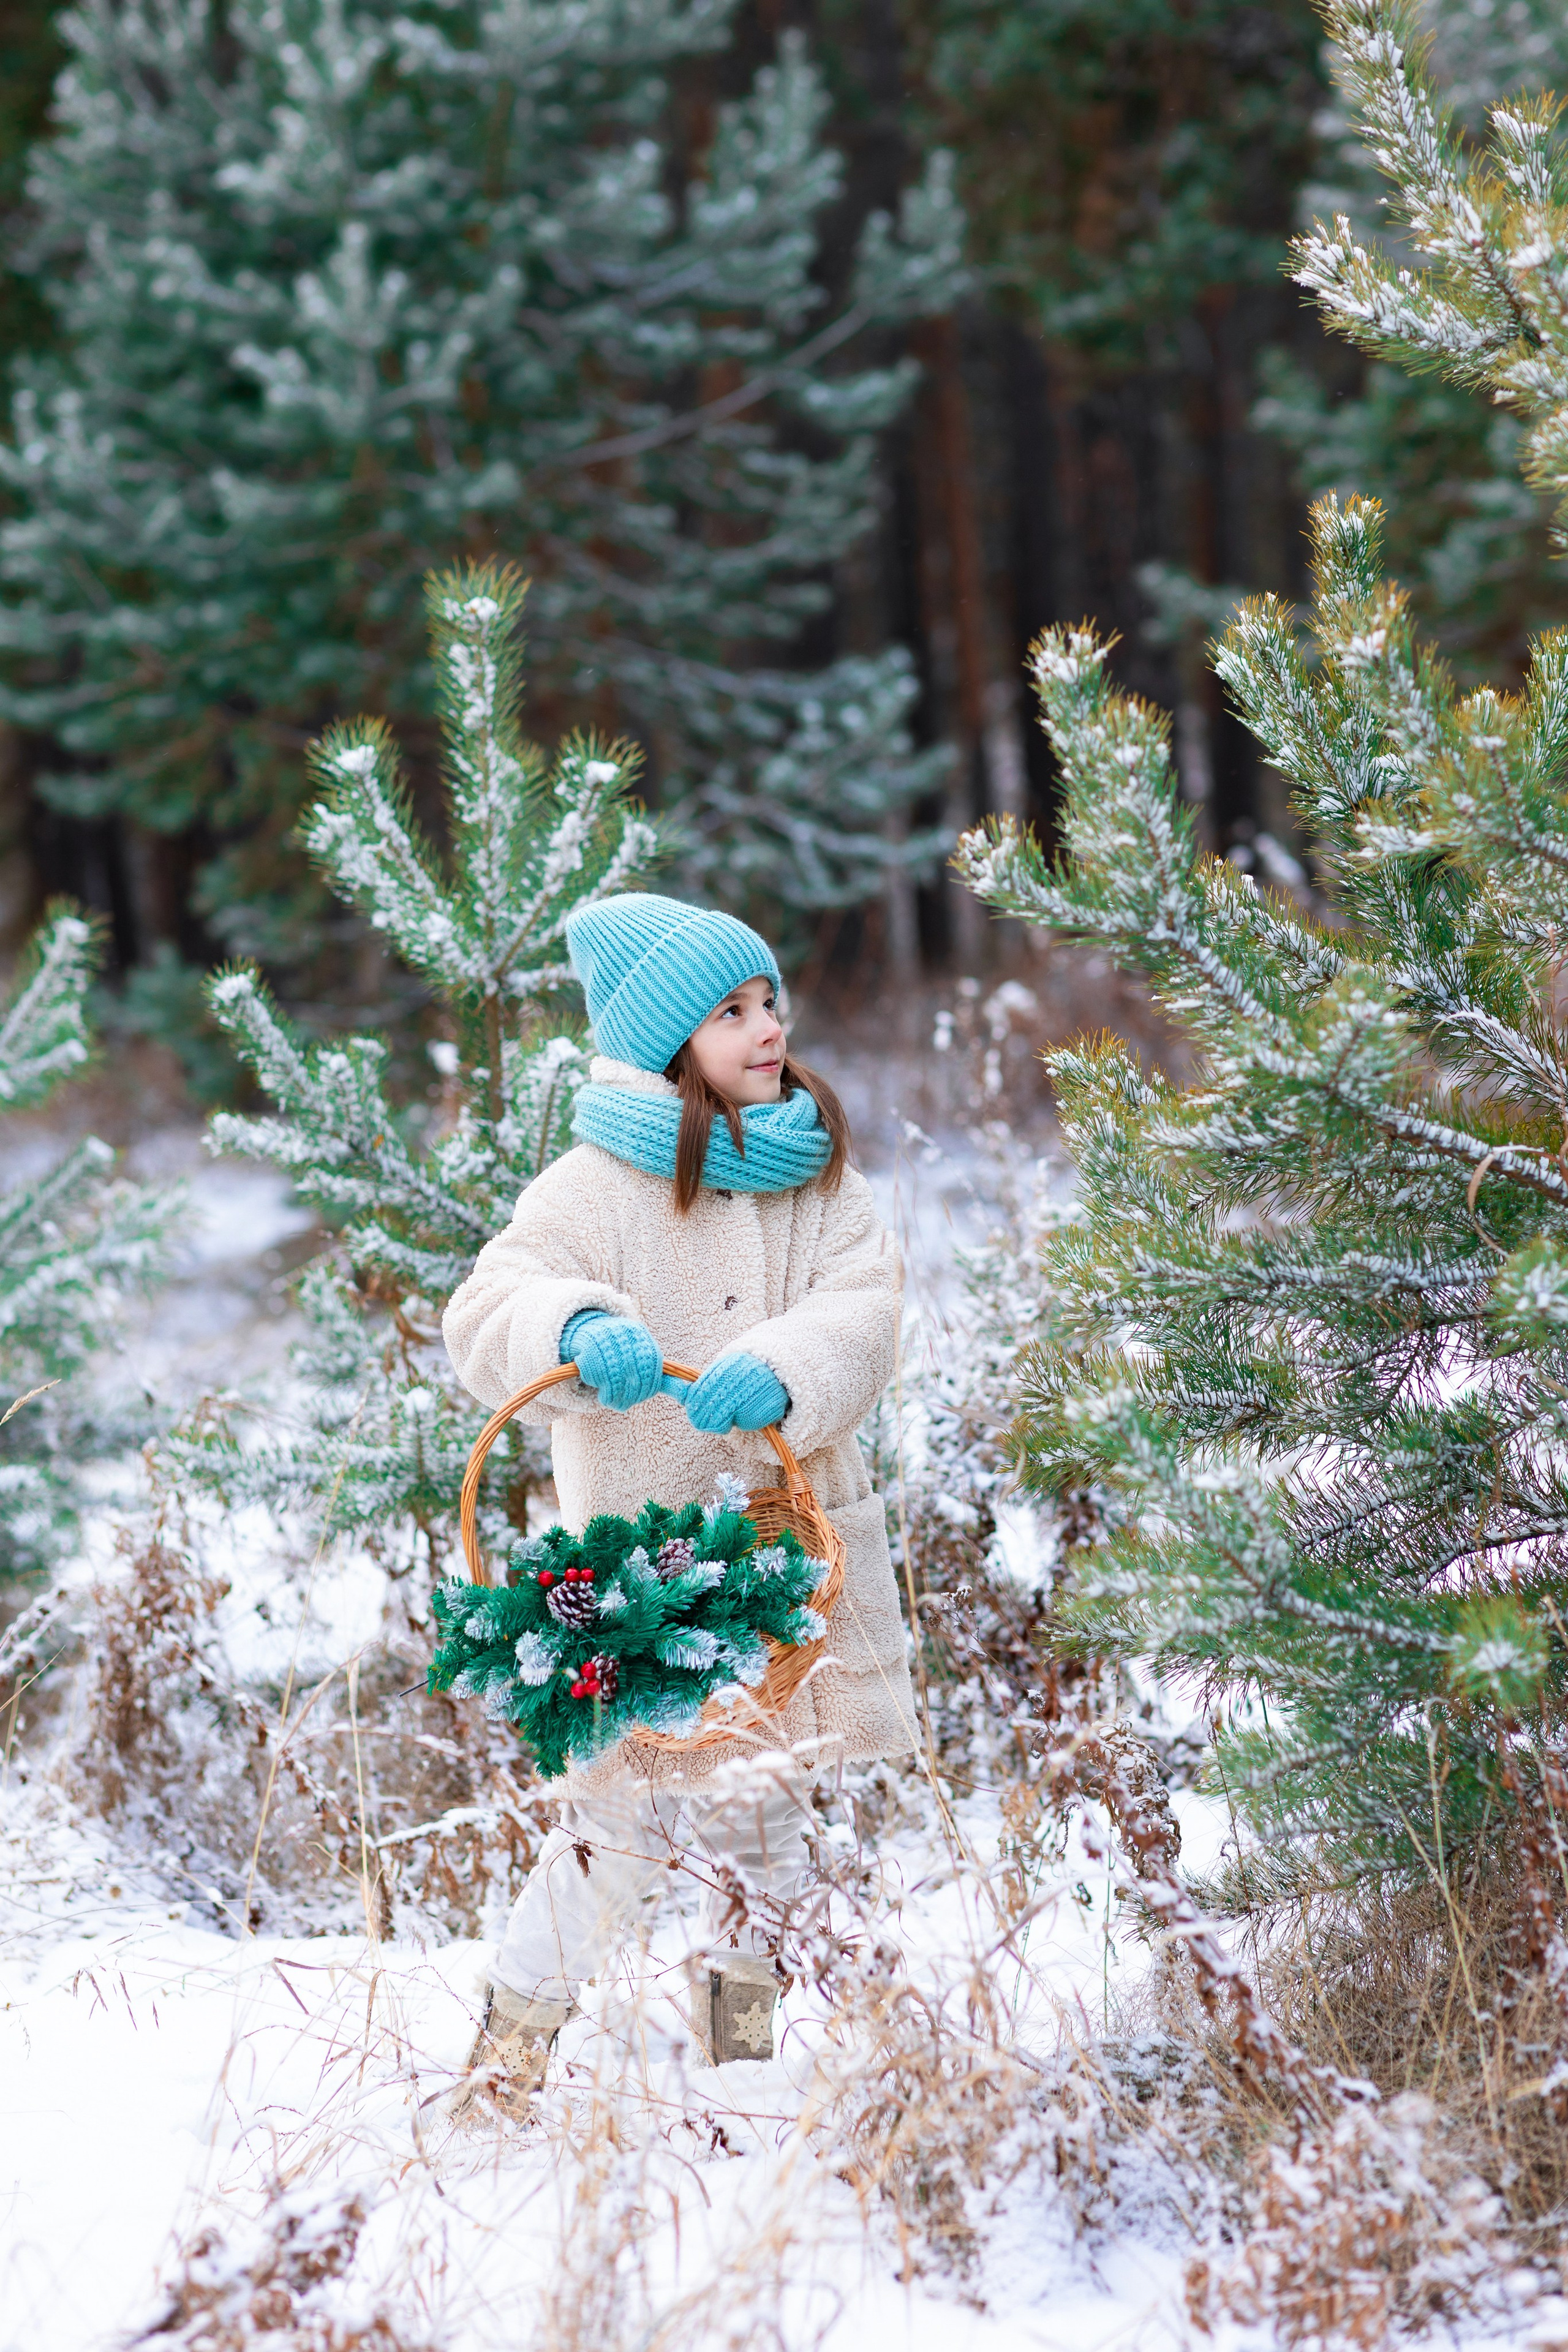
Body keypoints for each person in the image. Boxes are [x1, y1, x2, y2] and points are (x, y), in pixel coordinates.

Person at [439, 891, 915, 2117]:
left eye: (769, 1001)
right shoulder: (589, 1192)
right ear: (667, 1044)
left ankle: (736, 2066)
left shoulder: (820, 1180)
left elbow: (866, 1305)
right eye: (729, 1010)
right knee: (608, 1837)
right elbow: (490, 1303)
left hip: (780, 1569)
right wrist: (575, 1324)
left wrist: (796, 1365)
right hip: (633, 1580)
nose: (767, 1027)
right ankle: (511, 2051)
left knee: (768, 1835)